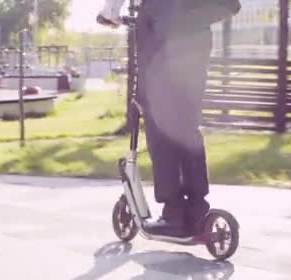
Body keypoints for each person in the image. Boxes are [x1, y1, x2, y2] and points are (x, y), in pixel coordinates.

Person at [98, 0, 241, 237]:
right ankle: (196, 210)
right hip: (196, 35)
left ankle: (173, 213)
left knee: (160, 130)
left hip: (162, 21)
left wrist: (110, 12)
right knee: (187, 128)